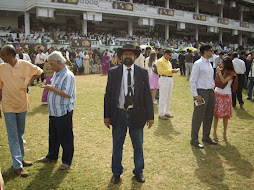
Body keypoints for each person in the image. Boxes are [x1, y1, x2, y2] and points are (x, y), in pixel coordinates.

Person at [104, 44, 154, 184]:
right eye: (125, 54)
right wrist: (106, 116)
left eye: (130, 54)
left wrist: (150, 116)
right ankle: (116, 172)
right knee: (117, 145)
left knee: (138, 145)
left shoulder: (142, 72)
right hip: (119, 114)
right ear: (121, 57)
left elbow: (147, 96)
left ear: (135, 56)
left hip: (137, 115)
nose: (128, 57)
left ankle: (138, 171)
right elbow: (108, 95)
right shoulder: (113, 72)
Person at [0, 45, 43, 177]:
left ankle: (21, 158)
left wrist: (28, 82)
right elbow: (0, 89)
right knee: (13, 135)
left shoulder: (24, 64)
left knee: (19, 134)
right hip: (8, 106)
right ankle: (17, 165)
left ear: (10, 55)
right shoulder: (1, 68)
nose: (1, 56)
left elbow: (39, 71)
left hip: (22, 105)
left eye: (3, 54)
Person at [38, 51, 76, 170]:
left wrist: (51, 88)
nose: (50, 66)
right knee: (53, 135)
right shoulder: (57, 73)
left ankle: (66, 160)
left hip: (63, 111)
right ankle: (52, 156)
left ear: (59, 62)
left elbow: (67, 94)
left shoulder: (68, 75)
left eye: (52, 64)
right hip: (54, 111)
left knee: (65, 137)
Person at [190, 45, 218, 148]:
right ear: (205, 51)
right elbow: (193, 80)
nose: (212, 52)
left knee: (209, 116)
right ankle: (194, 139)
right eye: (211, 51)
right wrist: (196, 95)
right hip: (201, 92)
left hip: (210, 92)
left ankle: (206, 136)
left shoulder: (209, 64)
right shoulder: (198, 64)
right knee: (198, 116)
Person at [213, 57, 238, 142]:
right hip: (217, 94)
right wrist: (219, 73)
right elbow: (216, 82)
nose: (220, 63)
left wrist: (219, 73)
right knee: (216, 115)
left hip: (226, 95)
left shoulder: (231, 73)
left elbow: (223, 81)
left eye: (222, 62)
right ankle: (214, 133)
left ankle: (224, 134)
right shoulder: (222, 71)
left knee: (225, 116)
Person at [157, 50, 179, 120]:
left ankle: (166, 112)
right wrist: (171, 71)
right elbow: (160, 71)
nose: (170, 56)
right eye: (169, 55)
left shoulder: (168, 62)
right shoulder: (160, 61)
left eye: (171, 55)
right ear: (165, 54)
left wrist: (172, 71)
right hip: (164, 79)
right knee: (163, 97)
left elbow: (168, 70)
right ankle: (161, 113)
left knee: (169, 96)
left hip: (170, 79)